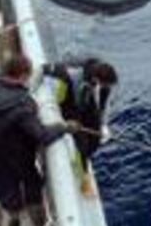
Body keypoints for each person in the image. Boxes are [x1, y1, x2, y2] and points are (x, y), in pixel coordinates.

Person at [0, 55, 76, 226]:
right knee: (32, 189)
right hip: (15, 157)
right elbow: (42, 135)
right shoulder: (21, 104)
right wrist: (64, 127)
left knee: (4, 188)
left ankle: (14, 218)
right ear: (23, 75)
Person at [43, 57, 117, 194]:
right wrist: (61, 120)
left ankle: (86, 159)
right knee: (81, 144)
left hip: (85, 103)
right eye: (106, 85)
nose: (107, 88)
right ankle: (82, 177)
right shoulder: (72, 74)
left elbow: (104, 106)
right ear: (97, 79)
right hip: (69, 104)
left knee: (95, 139)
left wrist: (103, 125)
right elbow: (44, 69)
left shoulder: (103, 86)